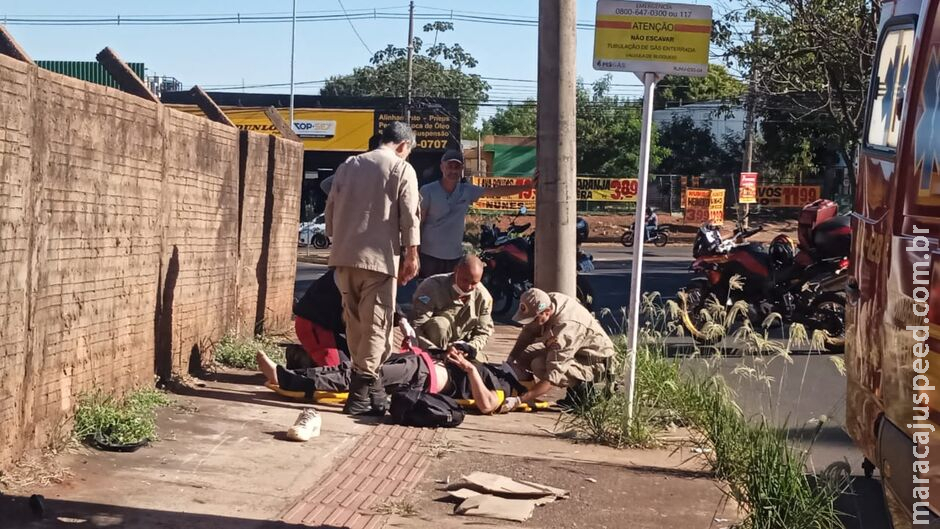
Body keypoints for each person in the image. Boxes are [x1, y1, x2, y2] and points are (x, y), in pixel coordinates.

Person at [325, 122, 421, 416]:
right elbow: (409, 214)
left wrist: (337, 239)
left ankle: (375, 389)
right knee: (377, 326)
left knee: (354, 322)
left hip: (344, 257)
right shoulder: (401, 168)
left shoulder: (349, 165)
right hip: (379, 260)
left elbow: (330, 210)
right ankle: (361, 389)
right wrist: (411, 254)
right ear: (403, 146)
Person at [256, 346, 527, 415]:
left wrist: (470, 370)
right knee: (359, 365)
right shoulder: (496, 369)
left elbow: (488, 405)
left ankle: (293, 381)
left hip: (424, 376)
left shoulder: (503, 387)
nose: (514, 363)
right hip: (424, 361)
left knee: (364, 374)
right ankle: (296, 376)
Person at [418, 150, 536, 279]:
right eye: (449, 166)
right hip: (429, 255)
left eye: (457, 167)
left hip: (454, 256)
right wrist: (414, 252)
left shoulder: (467, 190)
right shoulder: (427, 191)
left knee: (451, 294)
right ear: (442, 167)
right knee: (428, 294)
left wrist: (528, 187)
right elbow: (418, 222)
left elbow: (495, 192)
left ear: (462, 169)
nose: (453, 171)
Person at [506, 288, 616, 409]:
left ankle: (583, 392)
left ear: (547, 312)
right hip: (576, 350)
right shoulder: (547, 300)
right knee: (522, 356)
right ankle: (526, 387)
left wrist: (519, 400)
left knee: (539, 365)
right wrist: (510, 360)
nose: (532, 323)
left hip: (594, 361)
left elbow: (552, 377)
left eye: (534, 319)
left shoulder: (565, 329)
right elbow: (528, 332)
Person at [411, 255, 495, 363]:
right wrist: (437, 351)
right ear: (456, 270)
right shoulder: (431, 287)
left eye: (474, 283)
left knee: (482, 369)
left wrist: (467, 348)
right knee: (439, 325)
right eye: (465, 280)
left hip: (463, 348)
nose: (468, 287)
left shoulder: (484, 297)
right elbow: (416, 326)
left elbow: (483, 332)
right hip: (433, 346)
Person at [292, 269, 348, 367]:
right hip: (313, 325)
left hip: (331, 327)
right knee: (334, 374)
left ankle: (306, 358)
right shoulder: (356, 276)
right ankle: (280, 375)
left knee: (351, 369)